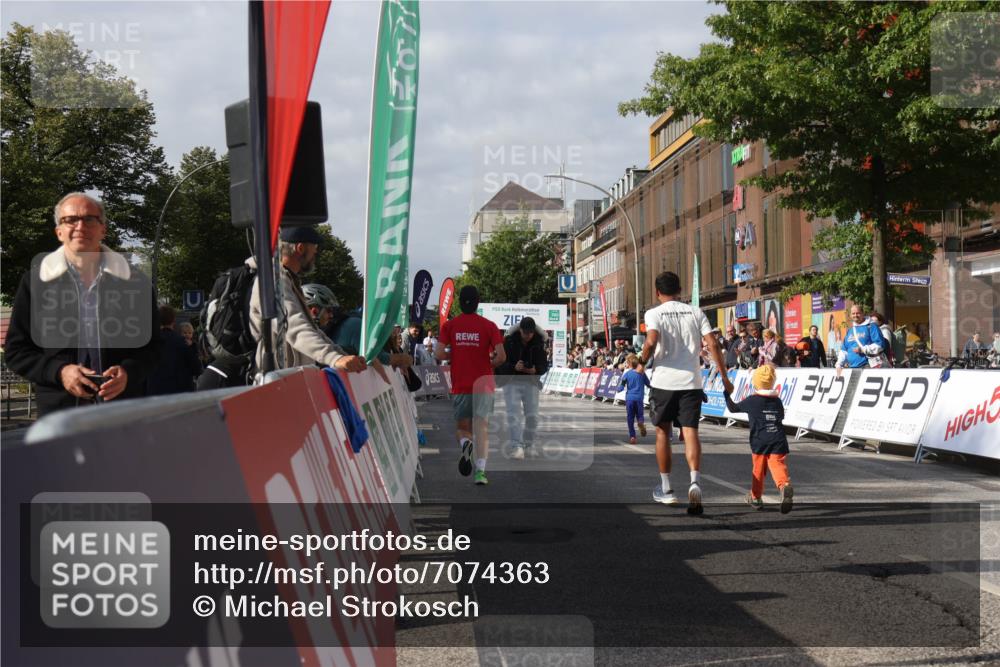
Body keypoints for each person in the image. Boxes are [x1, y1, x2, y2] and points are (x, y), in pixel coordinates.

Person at [4, 192, 158, 415]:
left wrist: (129, 372)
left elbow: (153, 347)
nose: (80, 226)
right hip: (59, 413)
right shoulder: (35, 282)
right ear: (59, 232)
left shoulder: (135, 282)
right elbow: (16, 352)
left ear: (102, 229)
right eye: (70, 220)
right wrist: (59, 372)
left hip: (122, 409)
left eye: (89, 219)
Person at [640, 271, 732, 514]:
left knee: (663, 433)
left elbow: (650, 342)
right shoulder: (695, 311)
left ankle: (667, 489)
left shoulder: (654, 313)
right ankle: (694, 481)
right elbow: (712, 344)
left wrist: (641, 362)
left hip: (664, 382)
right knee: (691, 432)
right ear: (679, 290)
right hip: (692, 382)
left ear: (657, 292)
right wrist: (724, 377)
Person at [249, 227, 366, 374]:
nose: (316, 254)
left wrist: (343, 356)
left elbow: (312, 329)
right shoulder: (272, 281)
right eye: (314, 249)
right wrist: (334, 358)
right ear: (300, 248)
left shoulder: (289, 280)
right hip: (274, 383)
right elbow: (294, 326)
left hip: (289, 380)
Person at [436, 285, 505, 485]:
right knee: (482, 429)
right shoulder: (489, 326)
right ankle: (480, 473)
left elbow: (438, 354)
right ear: (477, 303)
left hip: (461, 385)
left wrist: (456, 355)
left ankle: (466, 443)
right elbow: (501, 357)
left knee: (463, 429)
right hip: (484, 385)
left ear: (459, 302)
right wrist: (486, 362)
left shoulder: (449, 326)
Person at [724, 365, 794, 514]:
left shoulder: (752, 400)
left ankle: (755, 498)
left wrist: (726, 394)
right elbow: (781, 417)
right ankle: (784, 486)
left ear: (756, 382)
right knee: (777, 465)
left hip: (759, 440)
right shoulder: (778, 401)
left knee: (758, 470)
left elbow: (733, 408)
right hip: (778, 438)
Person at [496, 316, 548, 460]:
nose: (528, 335)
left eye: (531, 333)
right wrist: (514, 366)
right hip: (511, 381)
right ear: (520, 330)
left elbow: (544, 365)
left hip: (531, 381)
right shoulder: (509, 342)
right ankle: (516, 447)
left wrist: (535, 370)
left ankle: (528, 445)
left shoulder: (538, 343)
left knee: (533, 416)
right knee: (514, 415)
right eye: (525, 332)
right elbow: (500, 363)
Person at [147, 305, 202, 395]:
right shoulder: (183, 343)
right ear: (173, 321)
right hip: (180, 394)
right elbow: (197, 369)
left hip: (154, 394)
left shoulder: (150, 342)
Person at [836, 304, 887, 371]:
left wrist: (863, 349)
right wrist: (839, 364)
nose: (855, 315)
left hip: (868, 367)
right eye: (853, 314)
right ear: (851, 315)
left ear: (863, 313)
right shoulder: (850, 330)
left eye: (858, 313)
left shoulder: (871, 326)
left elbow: (880, 345)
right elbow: (844, 350)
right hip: (852, 367)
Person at [620, 354, 650, 444]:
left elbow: (622, 385)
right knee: (640, 415)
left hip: (629, 398)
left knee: (630, 418)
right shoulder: (642, 374)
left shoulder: (627, 374)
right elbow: (649, 384)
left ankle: (632, 436)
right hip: (639, 398)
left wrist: (619, 389)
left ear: (629, 364)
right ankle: (641, 423)